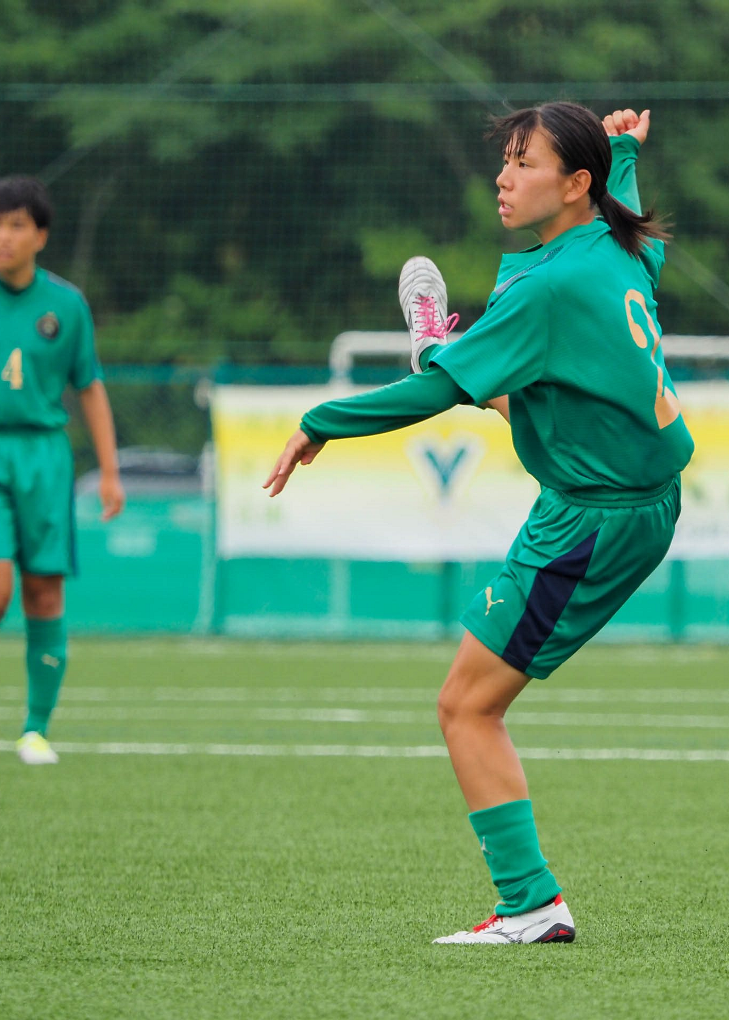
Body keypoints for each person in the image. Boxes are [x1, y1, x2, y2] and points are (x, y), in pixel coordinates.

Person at [265, 104, 693, 944]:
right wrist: (624, 155)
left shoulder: (549, 284)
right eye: (505, 159)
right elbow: (637, 226)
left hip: (590, 520)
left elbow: (429, 405)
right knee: (516, 381)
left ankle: (530, 905)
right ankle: (449, 345)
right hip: (629, 490)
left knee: (466, 706)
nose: (503, 176)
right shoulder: (614, 243)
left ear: (575, 186)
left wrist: (322, 418)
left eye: (524, 162)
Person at [0, 176, 124, 764]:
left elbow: (89, 388)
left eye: (15, 225)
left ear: (40, 235)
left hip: (44, 455)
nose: (1, 237)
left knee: (43, 590)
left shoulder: (67, 306)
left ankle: (35, 730)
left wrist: (109, 471)